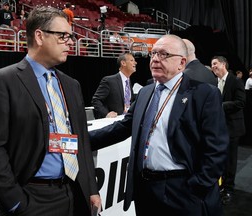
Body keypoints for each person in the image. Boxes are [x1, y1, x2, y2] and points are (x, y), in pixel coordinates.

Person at [0, 6, 101, 216]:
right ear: (39, 36)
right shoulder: (2, 81)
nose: (70, 42)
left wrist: (90, 188)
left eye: (70, 36)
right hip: (32, 197)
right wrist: (16, 202)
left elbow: (81, 141)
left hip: (73, 193)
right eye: (63, 36)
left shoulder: (71, 85)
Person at [89, 34, 229, 216]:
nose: (155, 59)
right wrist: (81, 140)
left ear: (181, 63)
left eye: (164, 54)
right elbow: (123, 127)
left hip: (183, 191)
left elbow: (217, 148)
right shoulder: (146, 93)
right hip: (145, 189)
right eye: (153, 54)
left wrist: (197, 185)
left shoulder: (204, 94)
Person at [211, 55, 246, 205]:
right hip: (218, 128)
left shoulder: (235, 81)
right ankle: (220, 185)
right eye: (211, 65)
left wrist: (220, 105)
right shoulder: (214, 82)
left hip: (232, 128)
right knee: (220, 158)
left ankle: (229, 189)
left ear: (224, 64)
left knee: (230, 160)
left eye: (215, 64)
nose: (213, 67)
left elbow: (240, 102)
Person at [91, 53, 137, 119]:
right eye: (132, 60)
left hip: (126, 119)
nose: (135, 63)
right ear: (123, 63)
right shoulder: (109, 81)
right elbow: (96, 100)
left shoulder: (128, 81)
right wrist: (106, 113)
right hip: (113, 123)